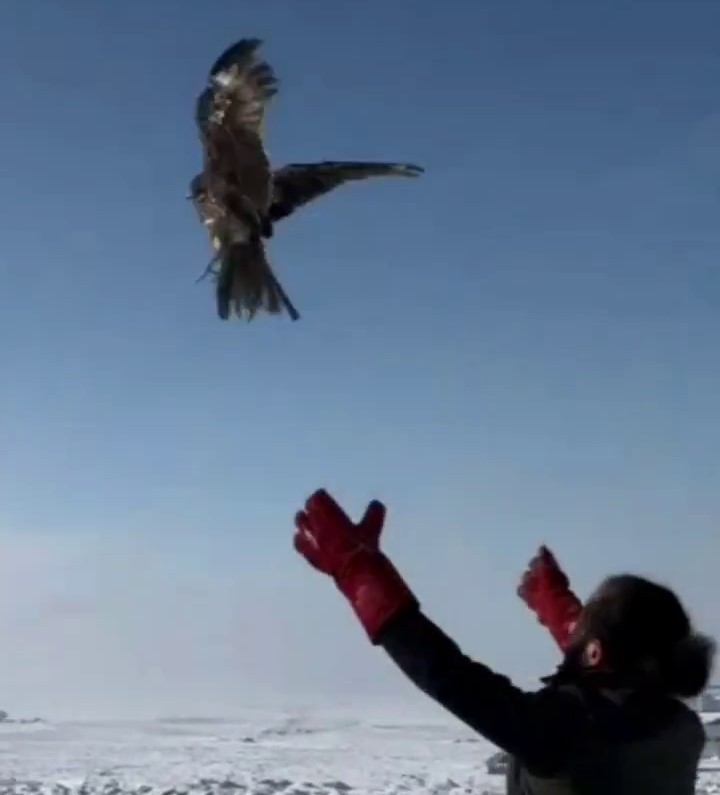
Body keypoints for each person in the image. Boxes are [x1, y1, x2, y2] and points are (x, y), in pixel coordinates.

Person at [294, 489, 716, 795]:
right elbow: (618, 684)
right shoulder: (681, 728)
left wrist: (360, 573)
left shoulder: (563, 728)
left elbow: (447, 674)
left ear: (595, 651)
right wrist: (566, 617)